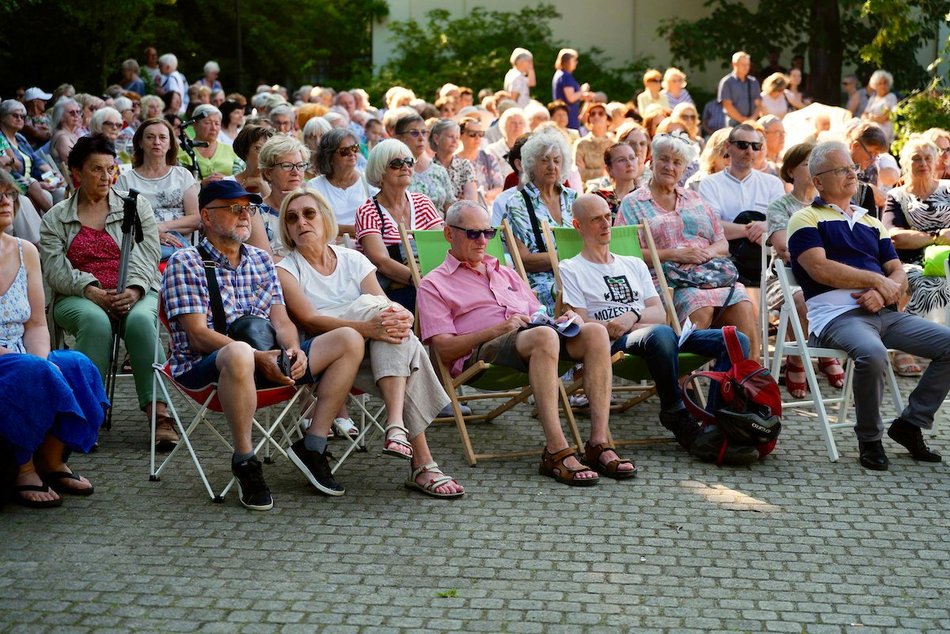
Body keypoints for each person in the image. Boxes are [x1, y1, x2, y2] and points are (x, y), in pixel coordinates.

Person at [161, 180, 365, 509]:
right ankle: (245, 460)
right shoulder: (186, 262)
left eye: (249, 208)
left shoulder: (261, 259)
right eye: (235, 208)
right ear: (207, 217)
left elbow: (281, 321)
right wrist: (258, 357)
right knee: (239, 352)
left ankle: (313, 444)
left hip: (268, 358)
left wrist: (292, 349)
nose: (246, 215)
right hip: (206, 367)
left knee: (348, 338)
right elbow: (198, 335)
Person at [419, 200, 634, 484]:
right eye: (473, 233)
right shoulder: (433, 284)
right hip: (482, 353)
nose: (483, 240)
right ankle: (556, 450)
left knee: (594, 332)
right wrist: (497, 329)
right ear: (449, 233)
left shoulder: (505, 272)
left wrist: (564, 319)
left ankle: (598, 443)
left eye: (488, 232)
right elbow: (443, 349)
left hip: (533, 338)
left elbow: (537, 315)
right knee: (544, 336)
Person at [275, 188, 464, 497]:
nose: (301, 222)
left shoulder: (353, 259)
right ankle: (414, 450)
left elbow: (385, 307)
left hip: (368, 350)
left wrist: (401, 318)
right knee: (379, 316)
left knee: (395, 334)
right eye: (292, 218)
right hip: (328, 350)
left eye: (309, 214)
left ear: (325, 219)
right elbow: (309, 319)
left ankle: (407, 442)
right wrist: (372, 326)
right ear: (286, 228)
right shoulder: (286, 269)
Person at [787, 141, 950, 470]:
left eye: (852, 167)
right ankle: (870, 439)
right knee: (872, 354)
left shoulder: (871, 222)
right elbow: (819, 269)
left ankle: (910, 424)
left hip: (883, 313)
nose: (852, 174)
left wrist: (884, 293)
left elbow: (897, 271)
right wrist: (876, 281)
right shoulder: (804, 219)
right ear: (818, 181)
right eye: (841, 170)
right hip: (837, 318)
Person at [560, 194, 750, 449]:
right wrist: (627, 326)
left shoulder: (633, 264)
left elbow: (659, 313)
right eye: (596, 219)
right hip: (617, 343)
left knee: (735, 339)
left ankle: (715, 421)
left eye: (607, 216)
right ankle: (675, 411)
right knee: (660, 333)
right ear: (578, 225)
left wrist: (632, 317)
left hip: (657, 337)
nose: (606, 224)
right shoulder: (571, 268)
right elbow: (583, 322)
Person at [38, 134, 173, 445]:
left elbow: (148, 254)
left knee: (141, 321)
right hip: (79, 295)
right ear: (76, 172)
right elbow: (55, 269)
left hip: (135, 291)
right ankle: (88, 412)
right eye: (96, 169)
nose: (106, 176)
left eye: (111, 169)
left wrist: (134, 289)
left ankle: (159, 412)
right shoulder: (56, 217)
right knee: (95, 321)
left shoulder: (135, 206)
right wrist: (91, 290)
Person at [0, 171, 107, 508]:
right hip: (4, 358)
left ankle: (51, 459)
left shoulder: (25, 251)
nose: (5, 202)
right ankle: (23, 468)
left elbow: (36, 323)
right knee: (30, 372)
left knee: (76, 364)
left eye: (8, 194)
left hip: (21, 351)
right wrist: (32, 366)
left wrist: (42, 361)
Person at [617, 133, 760, 357]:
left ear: (684, 169)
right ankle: (683, 374)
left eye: (677, 162)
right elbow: (624, 254)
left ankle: (748, 374)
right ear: (651, 162)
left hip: (709, 276)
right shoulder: (633, 202)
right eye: (664, 159)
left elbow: (722, 244)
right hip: (664, 280)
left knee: (743, 304)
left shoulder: (695, 199)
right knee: (699, 305)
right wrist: (674, 254)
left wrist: (705, 253)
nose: (669, 166)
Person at [764, 142, 845, 397]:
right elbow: (784, 247)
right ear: (790, 170)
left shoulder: (830, 205)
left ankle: (810, 353)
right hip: (786, 278)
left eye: (817, 165)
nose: (813, 170)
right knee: (801, 299)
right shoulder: (780, 206)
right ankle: (807, 357)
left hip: (827, 275)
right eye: (807, 164)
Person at [882, 136, 950, 376]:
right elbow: (894, 236)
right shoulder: (897, 196)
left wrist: (920, 236)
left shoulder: (948, 190)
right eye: (916, 158)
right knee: (923, 283)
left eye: (928, 158)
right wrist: (936, 236)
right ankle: (904, 346)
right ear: (905, 163)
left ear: (936, 161)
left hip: (947, 261)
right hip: (910, 263)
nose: (923, 163)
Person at [355, 139, 444, 311]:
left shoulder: (423, 202)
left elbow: (439, 247)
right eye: (396, 163)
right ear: (380, 171)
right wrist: (420, 280)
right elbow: (382, 262)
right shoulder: (368, 211)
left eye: (409, 162)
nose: (405, 167)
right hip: (396, 292)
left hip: (431, 282)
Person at [503, 129, 578, 314]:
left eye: (557, 161)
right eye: (545, 160)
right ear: (530, 164)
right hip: (543, 282)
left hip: (580, 274)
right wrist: (572, 256)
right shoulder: (517, 204)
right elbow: (524, 260)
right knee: (569, 292)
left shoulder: (574, 199)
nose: (552, 166)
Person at [117, 118, 199, 261]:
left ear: (170, 144)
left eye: (162, 137)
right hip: (139, 246)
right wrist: (152, 234)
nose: (156, 142)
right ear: (140, 143)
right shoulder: (125, 179)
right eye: (150, 137)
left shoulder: (182, 175)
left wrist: (161, 227)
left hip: (179, 250)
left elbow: (195, 219)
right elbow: (119, 220)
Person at [698, 124, 784, 253]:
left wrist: (767, 226)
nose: (749, 151)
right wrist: (757, 229)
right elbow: (711, 227)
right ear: (728, 146)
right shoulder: (709, 184)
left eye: (755, 146)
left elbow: (782, 223)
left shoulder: (772, 183)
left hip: (764, 258)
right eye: (742, 145)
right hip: (725, 257)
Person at [307, 128, 377, 238]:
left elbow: (382, 219)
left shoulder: (369, 182)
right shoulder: (315, 187)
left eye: (354, 148)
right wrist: (354, 230)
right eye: (344, 151)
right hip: (330, 244)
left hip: (368, 242)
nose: (352, 153)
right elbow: (313, 223)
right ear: (329, 157)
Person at [250, 135, 310, 258]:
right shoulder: (255, 213)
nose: (296, 172)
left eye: (300, 165)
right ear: (268, 173)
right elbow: (265, 261)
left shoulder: (313, 205)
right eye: (287, 166)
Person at [0, 99, 64, 214]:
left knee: (60, 191)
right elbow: (13, 169)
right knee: (42, 194)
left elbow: (35, 159)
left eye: (22, 117)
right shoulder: (1, 139)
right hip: (18, 182)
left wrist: (53, 173)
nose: (20, 119)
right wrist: (37, 184)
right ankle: (56, 219)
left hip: (32, 182)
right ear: (2, 117)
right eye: (15, 115)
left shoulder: (20, 138)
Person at [391, 113, 455, 214]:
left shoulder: (439, 170)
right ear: (400, 138)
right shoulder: (393, 171)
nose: (421, 138)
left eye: (424, 132)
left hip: (440, 223)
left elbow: (450, 207)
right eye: (414, 133)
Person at [177, 104, 238, 186]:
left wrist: (226, 179)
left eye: (217, 124)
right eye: (207, 123)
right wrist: (201, 184)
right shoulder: (182, 151)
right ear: (195, 125)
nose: (213, 128)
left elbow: (242, 177)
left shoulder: (231, 150)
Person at [456, 114, 503, 204]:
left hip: (486, 205)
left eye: (480, 134)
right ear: (460, 135)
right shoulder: (453, 161)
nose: (477, 138)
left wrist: (481, 196)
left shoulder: (489, 158)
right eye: (472, 134)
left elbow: (499, 187)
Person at [587, 142, 641, 219]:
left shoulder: (646, 196)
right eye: (621, 160)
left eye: (632, 158)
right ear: (609, 169)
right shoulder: (598, 198)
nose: (629, 164)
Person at [430, 119, 477, 202]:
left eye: (457, 137)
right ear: (436, 138)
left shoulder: (465, 166)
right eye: (450, 136)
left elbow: (471, 201)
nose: (455, 141)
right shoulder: (428, 167)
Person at [551, 48, 593, 130]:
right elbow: (571, 98)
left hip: (564, 115)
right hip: (568, 117)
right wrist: (582, 91)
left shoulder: (560, 74)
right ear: (567, 61)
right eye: (574, 60)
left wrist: (583, 96)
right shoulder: (565, 76)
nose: (576, 62)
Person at [572, 102, 613, 186]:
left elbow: (617, 171)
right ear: (589, 120)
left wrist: (590, 172)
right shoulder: (581, 144)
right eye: (592, 114)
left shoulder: (614, 144)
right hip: (587, 189)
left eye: (601, 113)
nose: (596, 116)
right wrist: (603, 172)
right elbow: (578, 173)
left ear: (608, 120)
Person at [717, 51, 761, 126]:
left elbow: (759, 104)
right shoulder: (727, 82)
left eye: (748, 64)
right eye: (743, 65)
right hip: (734, 123)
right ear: (734, 64)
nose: (746, 67)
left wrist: (752, 119)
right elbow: (727, 105)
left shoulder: (753, 82)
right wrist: (742, 120)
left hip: (752, 122)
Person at [231, 124, 274, 200]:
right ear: (245, 151)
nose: (265, 155)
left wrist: (260, 182)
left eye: (268, 149)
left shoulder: (277, 185)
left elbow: (275, 208)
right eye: (258, 148)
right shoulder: (228, 183)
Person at [484, 108, 528, 180]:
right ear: (503, 126)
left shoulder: (529, 149)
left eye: (520, 123)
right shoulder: (493, 150)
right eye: (513, 123)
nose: (517, 126)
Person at [862, 70, 898, 145]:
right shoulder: (873, 98)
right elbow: (864, 114)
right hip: (871, 125)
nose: (883, 86)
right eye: (880, 83)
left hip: (883, 129)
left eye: (885, 83)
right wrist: (867, 118)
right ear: (875, 86)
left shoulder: (891, 97)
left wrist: (870, 118)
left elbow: (884, 118)